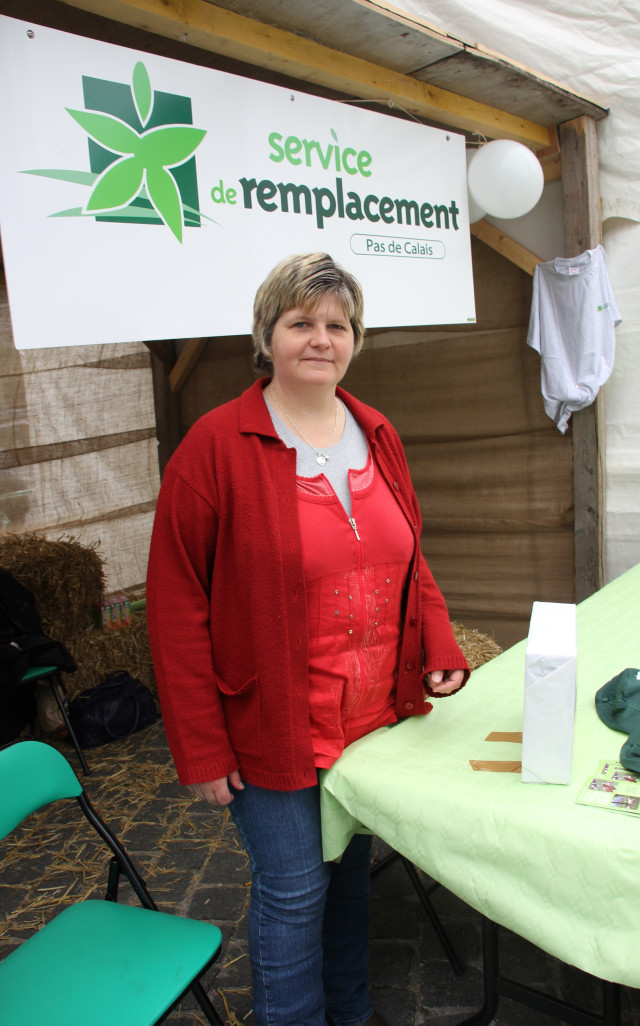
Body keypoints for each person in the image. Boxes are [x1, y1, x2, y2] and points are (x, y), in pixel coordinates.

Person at [146, 252, 470, 1026]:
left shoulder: (376, 430)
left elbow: (408, 554)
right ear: (267, 336)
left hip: (369, 713)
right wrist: (200, 745)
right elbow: (175, 604)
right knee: (295, 887)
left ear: (355, 337)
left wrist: (439, 642)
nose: (321, 339)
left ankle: (349, 1014)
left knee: (351, 876)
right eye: (301, 323)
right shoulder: (215, 447)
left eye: (337, 324)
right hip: (272, 719)